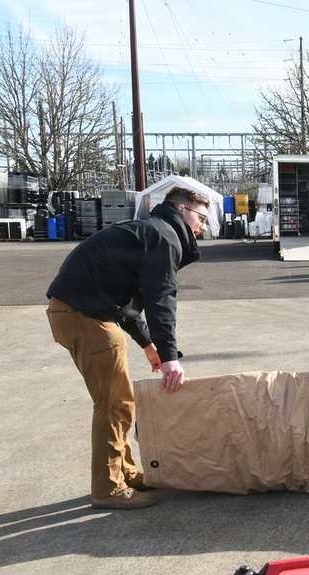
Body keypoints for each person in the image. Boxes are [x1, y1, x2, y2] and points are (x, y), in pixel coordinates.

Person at [46, 186, 209, 510]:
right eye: (201, 217)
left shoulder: (150, 231)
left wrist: (149, 344)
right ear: (180, 210)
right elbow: (160, 299)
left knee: (120, 401)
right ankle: (108, 490)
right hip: (84, 317)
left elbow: (124, 300)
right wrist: (168, 357)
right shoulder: (163, 236)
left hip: (79, 312)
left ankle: (126, 473)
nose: (203, 226)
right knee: (114, 404)